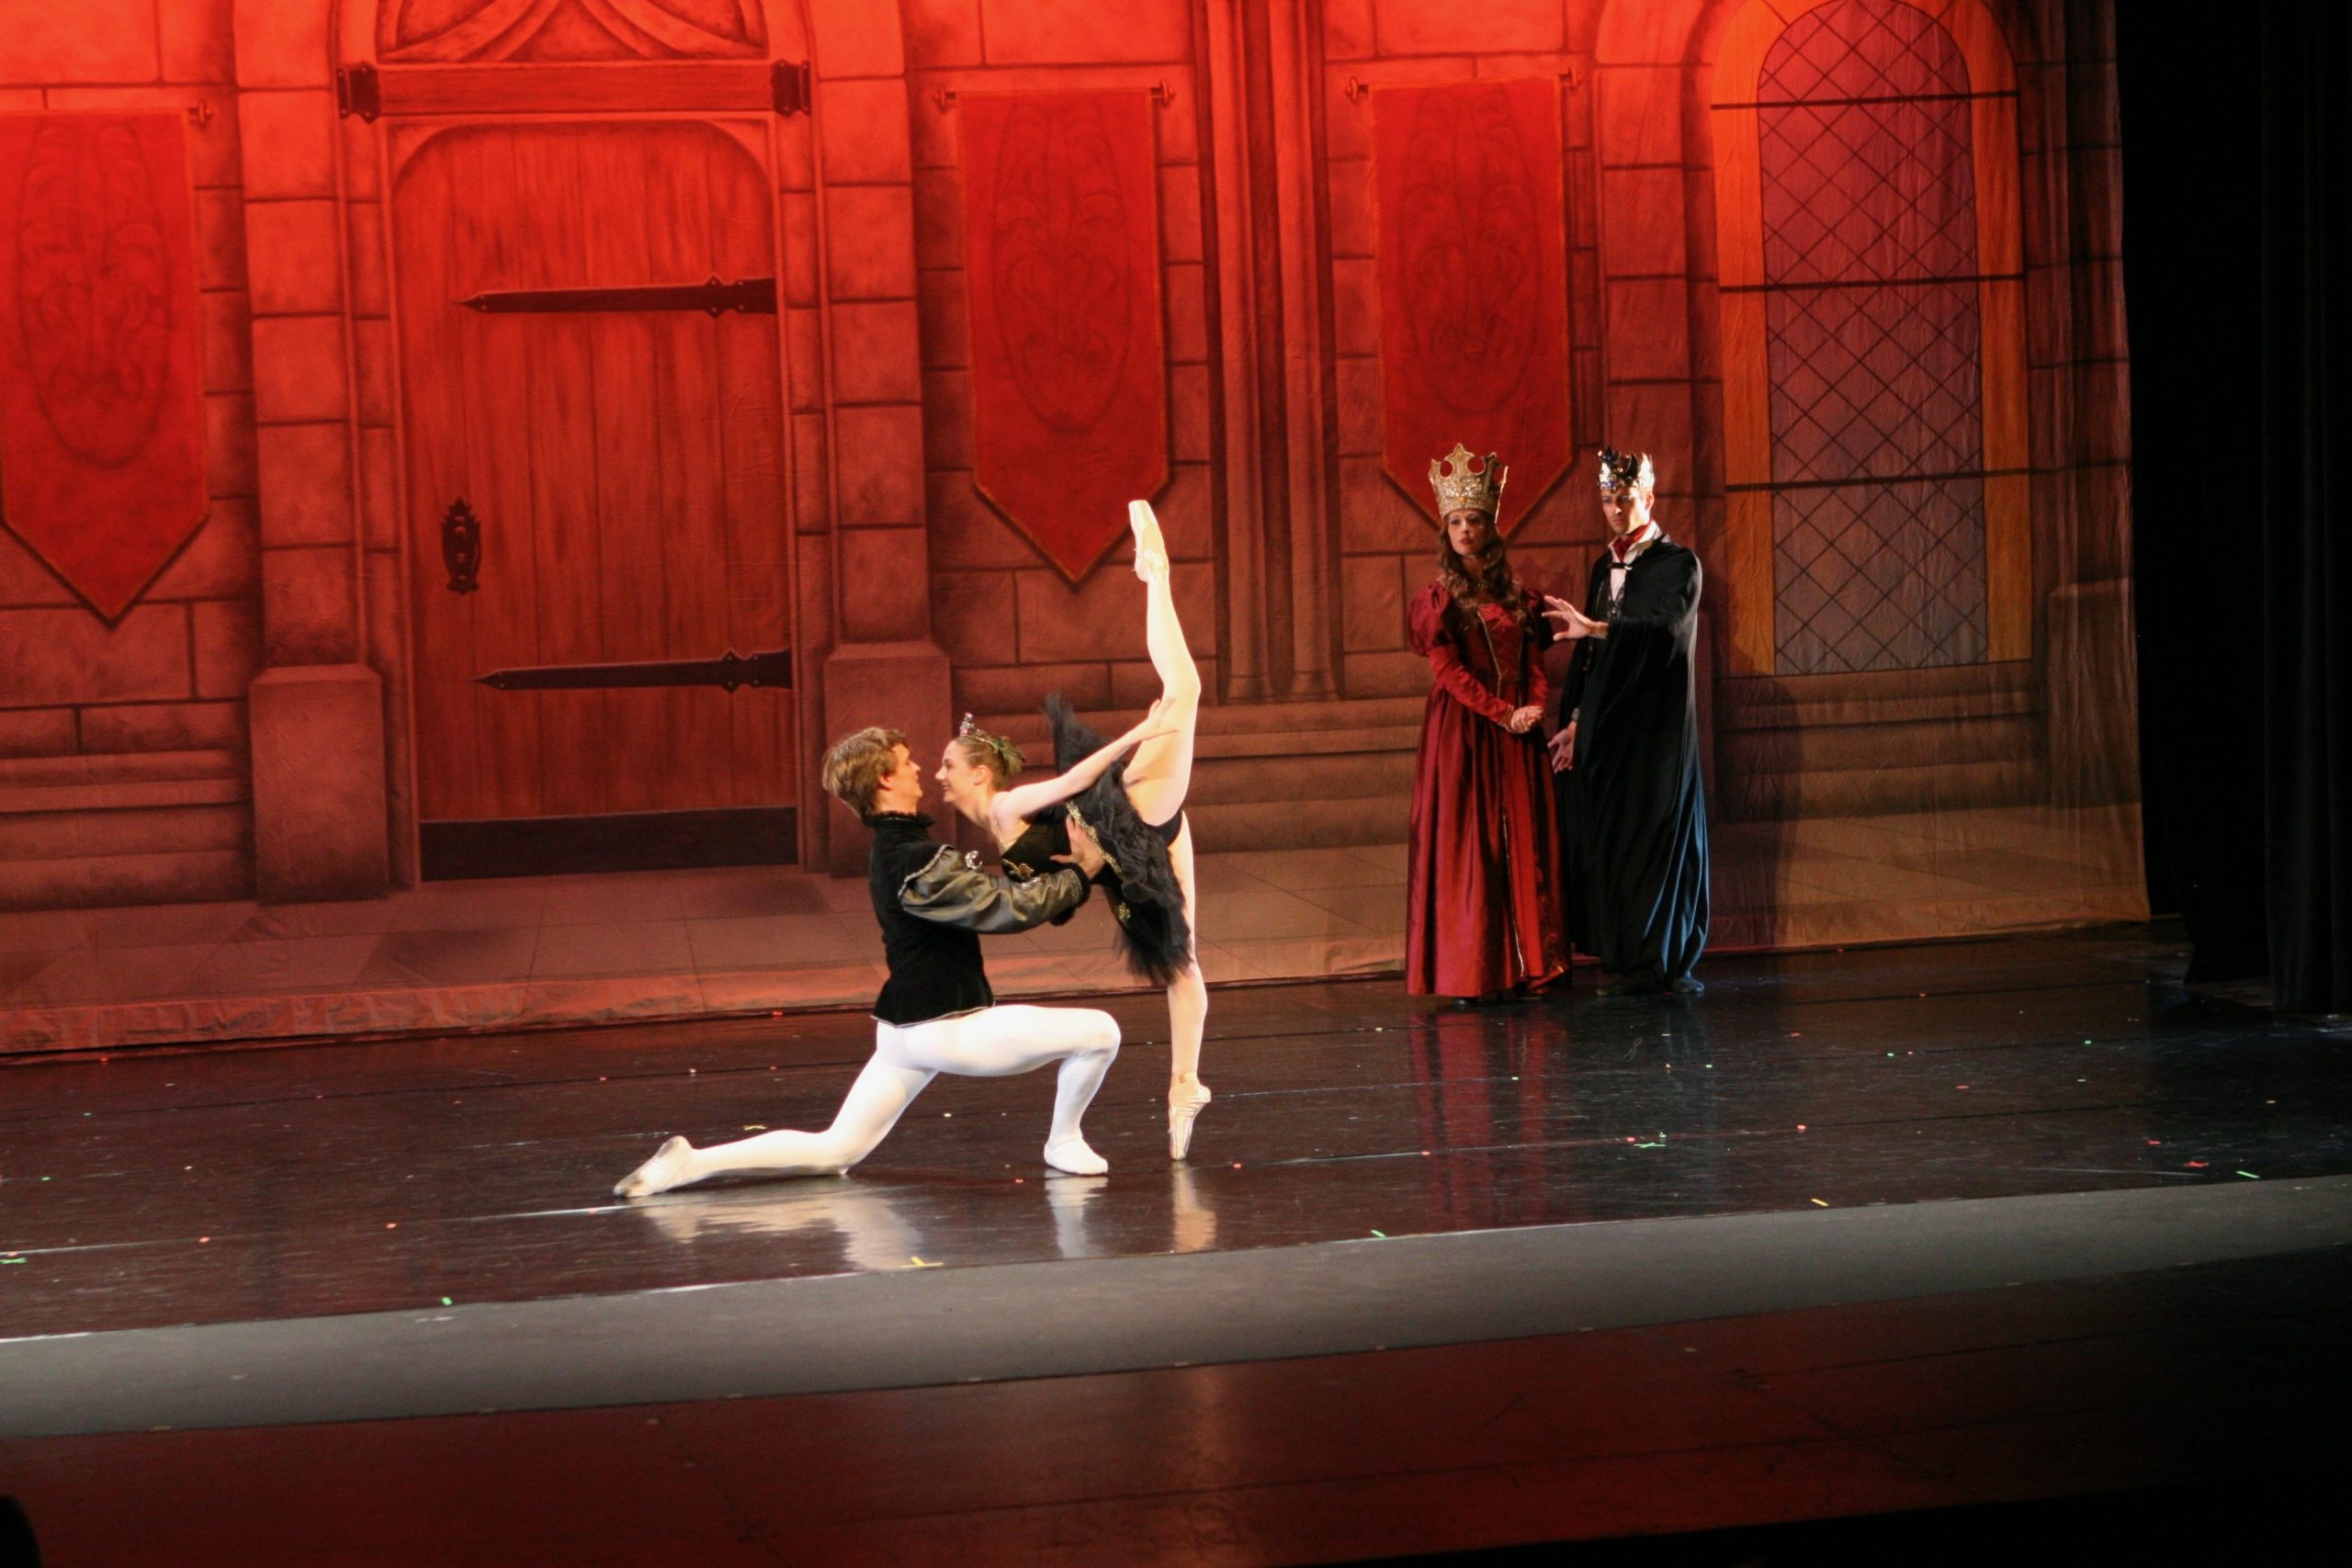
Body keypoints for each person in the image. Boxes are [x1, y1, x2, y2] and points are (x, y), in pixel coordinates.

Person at [611, 727, 1123, 1197]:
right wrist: (1080, 873)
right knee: (1099, 1031)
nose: (921, 769)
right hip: (945, 1027)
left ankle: (690, 1163)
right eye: (906, 763)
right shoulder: (914, 858)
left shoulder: (897, 849)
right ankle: (1062, 1142)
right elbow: (1004, 909)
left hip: (903, 1031)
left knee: (837, 1149)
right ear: (884, 778)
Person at [948, 501, 1216, 1160]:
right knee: (1184, 686)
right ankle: (1154, 574)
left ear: (981, 777)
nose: (941, 776)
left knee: (1183, 961)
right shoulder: (1002, 820)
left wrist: (1139, 737)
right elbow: (1067, 821)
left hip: (1137, 823)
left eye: (949, 767)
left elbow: (1075, 789)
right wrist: (1141, 733)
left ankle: (1185, 1083)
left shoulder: (1009, 807)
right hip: (1128, 844)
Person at [1404, 443, 1569, 1002]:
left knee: (1523, 844)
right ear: (1445, 530)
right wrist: (1505, 713)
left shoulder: (1519, 597)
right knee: (1472, 848)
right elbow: (1449, 673)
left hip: (1519, 732)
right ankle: (1475, 970)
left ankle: (1530, 964)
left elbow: (1534, 663)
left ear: (1489, 527)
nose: (1465, 530)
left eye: (1474, 520)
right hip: (1466, 734)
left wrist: (1534, 709)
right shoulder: (1437, 599)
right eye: (1456, 521)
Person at [1544, 446, 1710, 996]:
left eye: (1626, 498)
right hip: (1609, 732)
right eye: (1608, 499)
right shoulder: (1603, 567)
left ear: (1649, 498)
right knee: (1612, 839)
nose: (1616, 508)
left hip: (1655, 733)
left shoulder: (1678, 564)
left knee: (1654, 838)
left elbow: (1662, 632)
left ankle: (1658, 961)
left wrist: (1594, 629)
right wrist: (1575, 722)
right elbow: (1592, 661)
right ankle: (1621, 957)